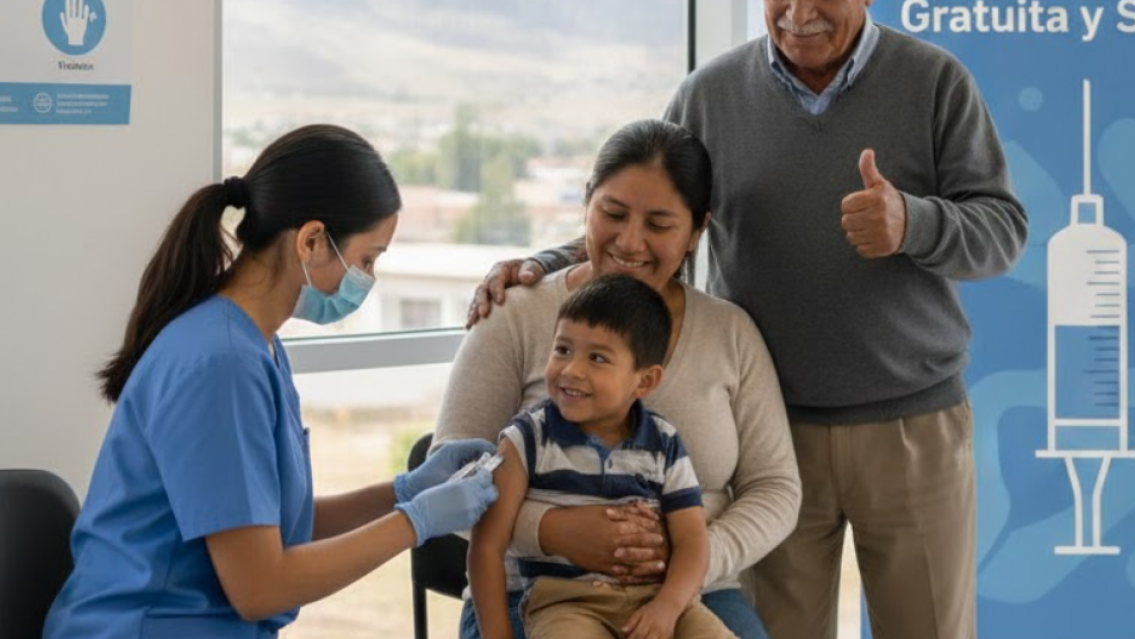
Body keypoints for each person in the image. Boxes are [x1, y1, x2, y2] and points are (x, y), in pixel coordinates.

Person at [468, 3, 1030, 639]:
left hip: (910, 424)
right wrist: (542, 265)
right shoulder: (708, 95)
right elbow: (650, 216)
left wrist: (914, 222)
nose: (798, 12)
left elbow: (1005, 232)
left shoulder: (934, 81)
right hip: (771, 430)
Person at [43, 124, 499, 639]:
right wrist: (414, 523)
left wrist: (404, 491)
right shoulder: (222, 363)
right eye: (368, 259)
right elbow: (260, 586)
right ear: (310, 241)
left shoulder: (253, 344)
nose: (368, 278)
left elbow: (275, 527)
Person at [436, 119, 801, 639]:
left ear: (698, 231)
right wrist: (552, 530)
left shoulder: (730, 332)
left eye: (659, 224)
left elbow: (776, 488)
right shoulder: (514, 315)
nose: (631, 241)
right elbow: (449, 474)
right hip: (532, 590)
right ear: (586, 202)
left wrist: (686, 561)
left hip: (695, 592)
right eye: (612, 213)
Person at [470, 275, 737, 639]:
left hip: (657, 597)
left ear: (643, 382)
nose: (571, 370)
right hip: (565, 604)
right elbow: (487, 544)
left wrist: (669, 606)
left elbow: (692, 542)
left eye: (597, 358)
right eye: (562, 349)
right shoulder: (525, 439)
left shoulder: (664, 442)